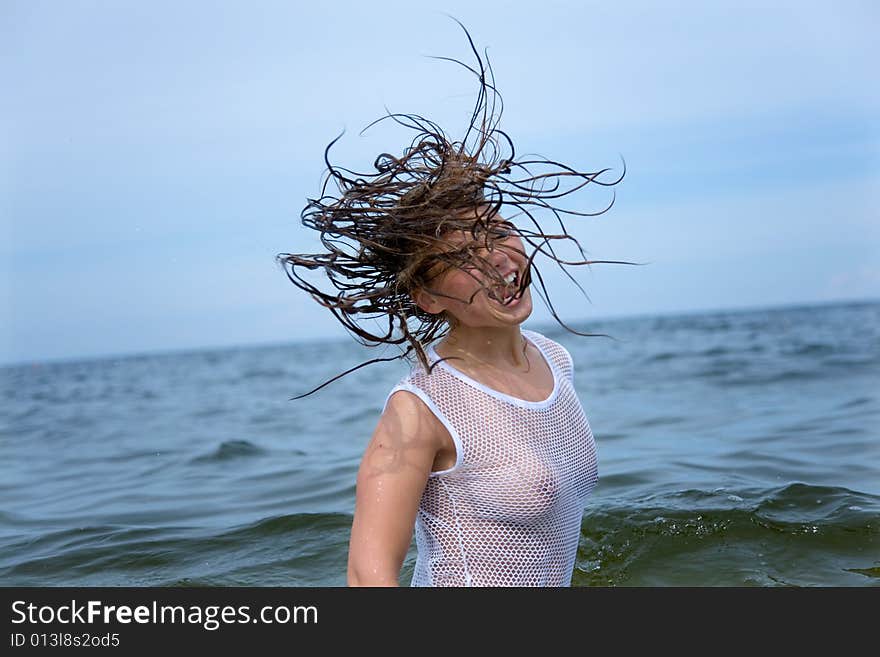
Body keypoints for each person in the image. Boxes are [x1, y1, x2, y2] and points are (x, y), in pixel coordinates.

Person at [278, 22, 628, 586]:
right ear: (425, 295)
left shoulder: (555, 360)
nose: (499, 259)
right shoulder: (420, 410)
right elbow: (368, 576)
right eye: (466, 256)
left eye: (498, 232)